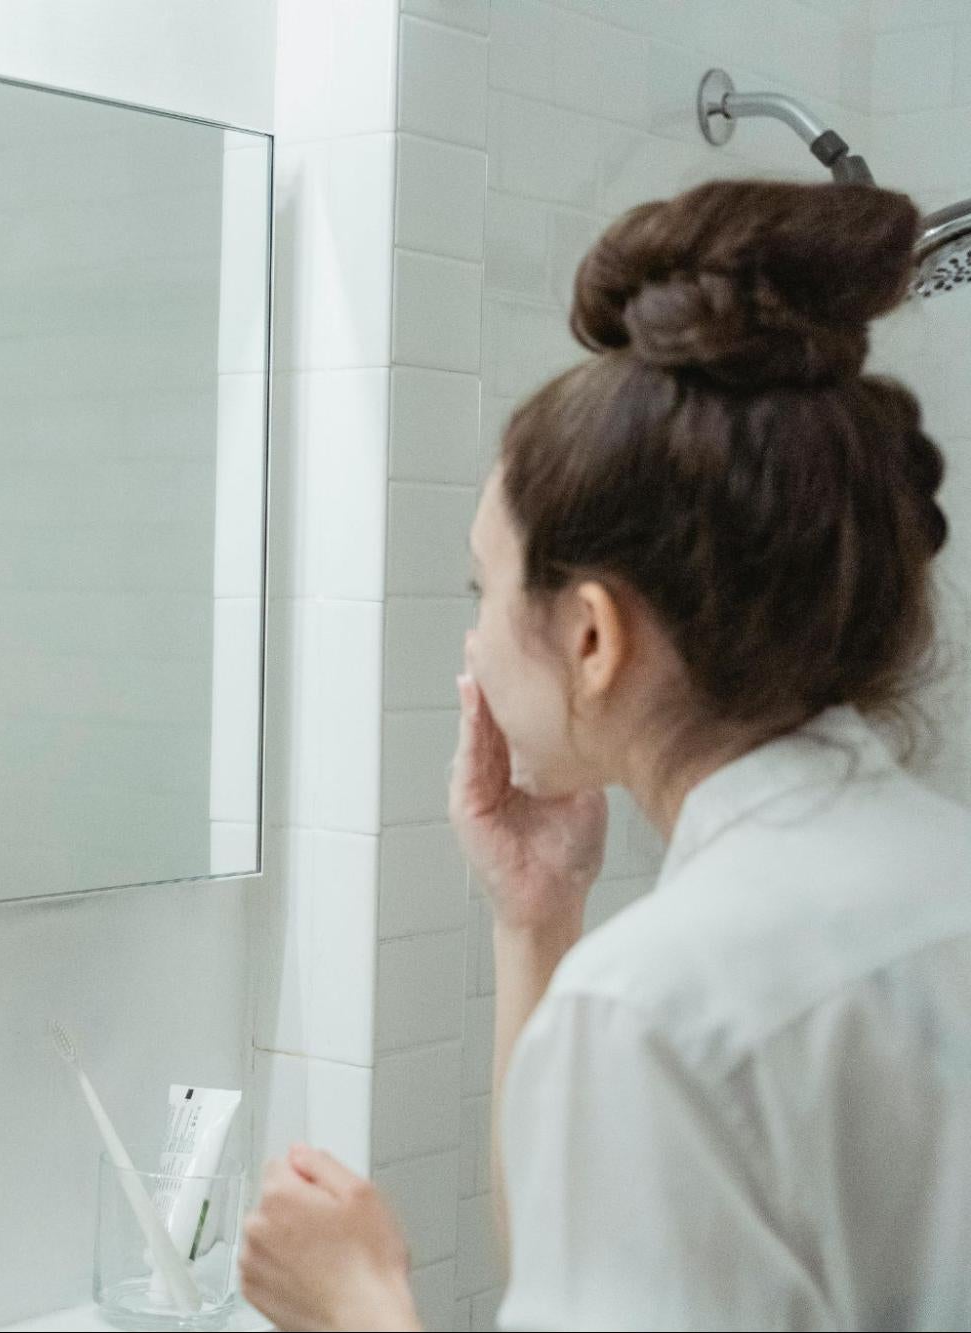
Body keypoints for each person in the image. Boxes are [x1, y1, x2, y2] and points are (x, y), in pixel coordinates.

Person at [241, 180, 971, 1329]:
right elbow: (616, 1265)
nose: (475, 636)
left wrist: (356, 1306)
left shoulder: (657, 1006)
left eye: (483, 588)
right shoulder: (935, 876)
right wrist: (536, 915)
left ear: (589, 636)